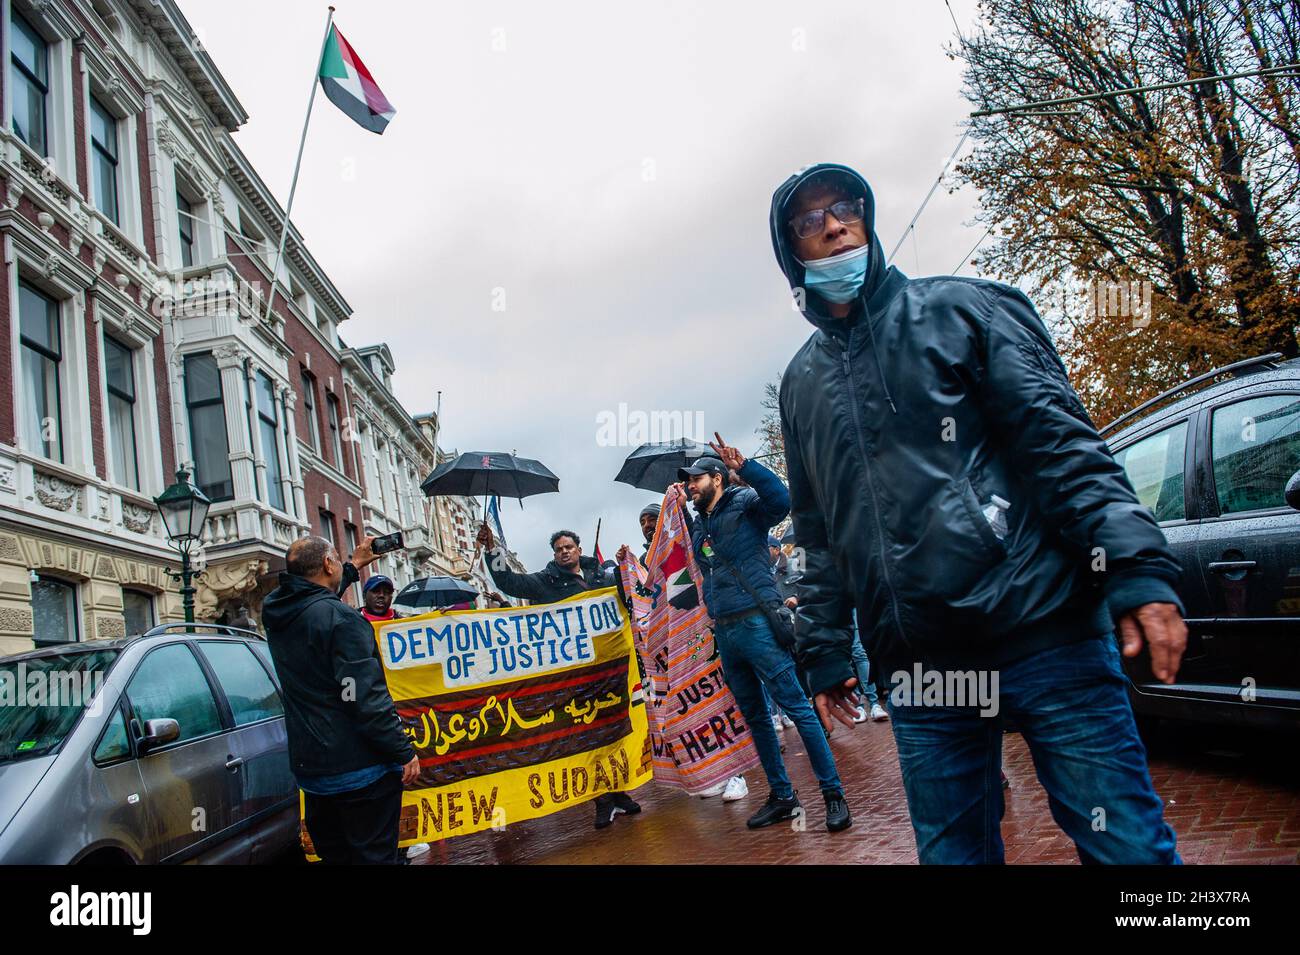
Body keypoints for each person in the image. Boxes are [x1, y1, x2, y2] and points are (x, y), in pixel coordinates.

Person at [771, 162, 1184, 864]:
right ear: (792, 253)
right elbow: (816, 531)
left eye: (844, 207)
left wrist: (1135, 564)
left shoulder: (963, 310)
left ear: (866, 217)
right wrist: (825, 645)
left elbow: (1060, 444)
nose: (834, 225)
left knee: (1130, 852)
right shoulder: (800, 383)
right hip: (923, 672)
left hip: (1044, 629)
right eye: (810, 221)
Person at [676, 436, 851, 832]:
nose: (690, 486)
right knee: (755, 717)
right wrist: (676, 512)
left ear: (717, 479)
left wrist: (748, 466)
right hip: (726, 630)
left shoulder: (745, 504)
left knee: (797, 708)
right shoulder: (700, 524)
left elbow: (781, 500)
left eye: (695, 479)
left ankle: (832, 794)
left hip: (757, 621)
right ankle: (783, 796)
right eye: (687, 482)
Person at [262, 536, 420, 865]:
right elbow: (364, 698)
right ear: (327, 565)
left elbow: (310, 601)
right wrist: (402, 751)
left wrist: (351, 567)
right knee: (375, 857)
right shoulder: (345, 621)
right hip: (361, 770)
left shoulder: (275, 611)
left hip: (314, 770)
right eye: (335, 557)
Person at [476, 523, 642, 830]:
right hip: (575, 676)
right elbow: (509, 582)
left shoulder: (598, 574)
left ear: (579, 549)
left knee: (614, 731)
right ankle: (602, 800)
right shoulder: (546, 581)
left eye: (569, 547)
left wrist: (623, 563)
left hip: (608, 669)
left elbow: (627, 591)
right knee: (587, 737)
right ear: (554, 555)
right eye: (558, 549)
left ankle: (619, 792)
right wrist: (492, 551)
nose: (564, 552)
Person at [620, 502, 750, 803]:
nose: (648, 524)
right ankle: (713, 771)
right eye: (643, 520)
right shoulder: (644, 562)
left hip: (702, 636)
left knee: (719, 700)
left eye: (653, 518)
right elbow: (639, 600)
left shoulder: (685, 543)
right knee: (693, 708)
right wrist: (622, 568)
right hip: (674, 647)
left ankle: (736, 773)